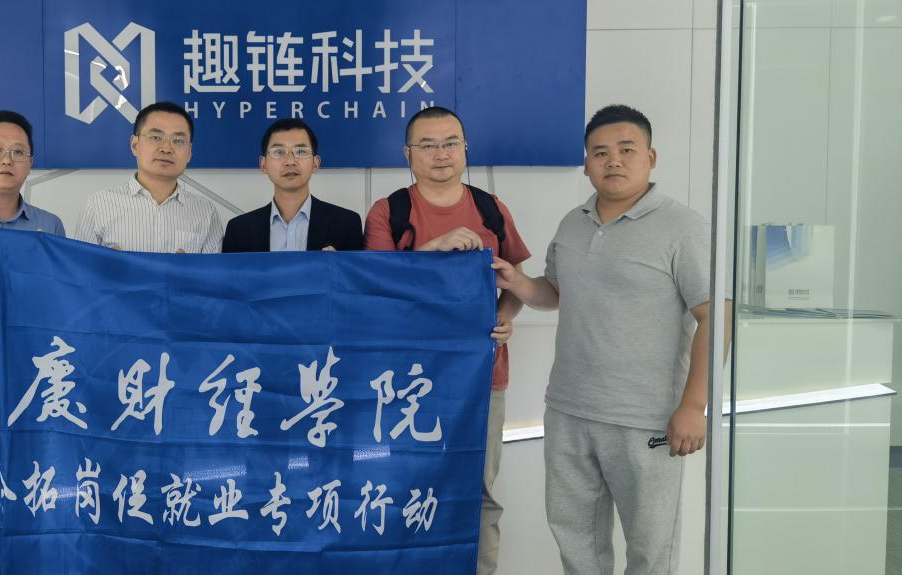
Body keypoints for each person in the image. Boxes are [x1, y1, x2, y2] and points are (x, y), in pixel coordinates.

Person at [492, 104, 710, 574]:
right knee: (577, 544)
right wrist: (518, 282)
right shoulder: (573, 222)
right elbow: (555, 293)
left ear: (650, 157)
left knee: (651, 551)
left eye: (626, 150)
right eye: (601, 152)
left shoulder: (684, 228)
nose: (614, 160)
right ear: (587, 163)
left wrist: (694, 405)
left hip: (645, 419)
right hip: (569, 410)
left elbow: (716, 316)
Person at [364, 106, 530, 575]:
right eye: (428, 145)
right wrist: (431, 250)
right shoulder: (389, 211)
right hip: (401, 381)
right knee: (400, 486)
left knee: (478, 492)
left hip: (480, 378)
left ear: (465, 148)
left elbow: (516, 280)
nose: (441, 154)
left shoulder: (491, 209)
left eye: (450, 143)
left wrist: (505, 315)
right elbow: (375, 288)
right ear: (407, 154)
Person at [74, 101, 223, 253]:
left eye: (178, 140)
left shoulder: (206, 212)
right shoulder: (98, 205)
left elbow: (212, 269)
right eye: (156, 137)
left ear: (189, 152)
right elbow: (78, 266)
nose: (166, 148)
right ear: (135, 145)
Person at [222, 119, 362, 252]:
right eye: (278, 152)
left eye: (301, 152)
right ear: (263, 164)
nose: (290, 161)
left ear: (315, 163)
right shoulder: (238, 230)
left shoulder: (346, 224)